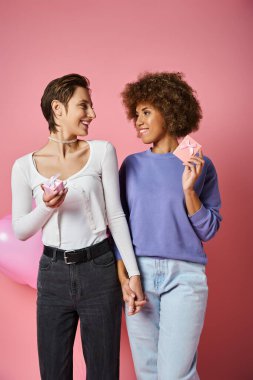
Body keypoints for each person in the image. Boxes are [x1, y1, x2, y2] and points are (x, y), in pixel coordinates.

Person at [11, 73, 145, 380]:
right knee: (54, 372)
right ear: (58, 109)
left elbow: (116, 215)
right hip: (53, 275)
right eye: (83, 105)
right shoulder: (23, 167)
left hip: (99, 270)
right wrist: (45, 206)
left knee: (103, 372)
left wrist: (134, 273)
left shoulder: (102, 151)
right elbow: (20, 230)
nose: (92, 114)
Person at [116, 72, 222, 380]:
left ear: (170, 111)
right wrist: (124, 277)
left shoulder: (199, 164)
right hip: (140, 275)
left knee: (177, 374)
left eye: (146, 112)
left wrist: (189, 191)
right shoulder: (131, 165)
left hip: (185, 277)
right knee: (148, 373)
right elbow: (118, 227)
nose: (138, 122)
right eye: (136, 115)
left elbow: (208, 229)